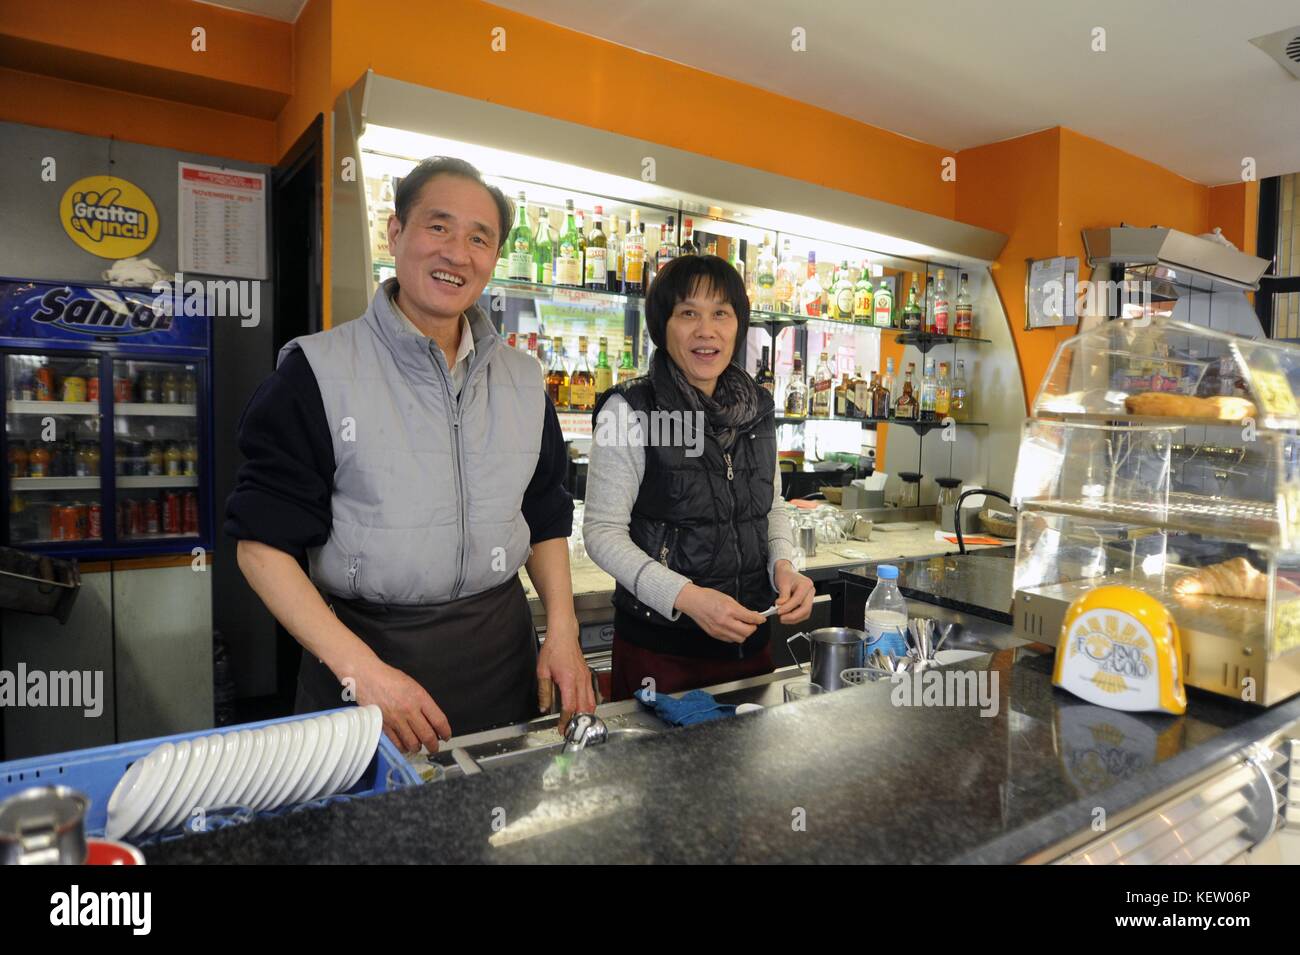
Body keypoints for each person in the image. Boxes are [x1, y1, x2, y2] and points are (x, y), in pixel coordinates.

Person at [226, 156, 594, 751]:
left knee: (494, 831)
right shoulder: (316, 372)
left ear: (495, 258)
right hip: (363, 658)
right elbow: (261, 547)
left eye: (480, 238)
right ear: (396, 234)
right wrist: (361, 671)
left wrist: (563, 630)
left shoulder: (524, 381)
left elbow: (544, 513)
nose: (457, 253)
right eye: (438, 227)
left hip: (501, 657)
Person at [583, 253, 814, 699]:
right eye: (688, 313)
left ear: (737, 326)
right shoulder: (631, 409)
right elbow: (601, 533)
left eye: (721, 314)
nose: (706, 330)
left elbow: (772, 507)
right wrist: (686, 597)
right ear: (662, 326)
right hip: (662, 654)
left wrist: (784, 565)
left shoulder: (757, 408)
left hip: (750, 645)